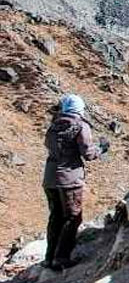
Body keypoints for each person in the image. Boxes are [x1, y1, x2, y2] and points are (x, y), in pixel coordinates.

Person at [42, 94, 108, 270]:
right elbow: (88, 153)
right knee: (72, 217)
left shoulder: (54, 124)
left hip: (50, 178)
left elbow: (48, 144)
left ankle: (49, 258)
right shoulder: (80, 125)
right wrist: (102, 148)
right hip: (70, 179)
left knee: (56, 217)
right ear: (79, 108)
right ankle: (62, 258)